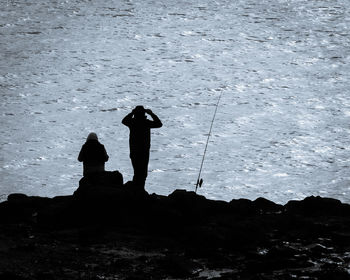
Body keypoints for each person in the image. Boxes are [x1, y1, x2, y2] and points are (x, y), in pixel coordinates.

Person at [122, 106, 162, 190]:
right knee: (142, 173)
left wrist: (131, 113)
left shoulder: (132, 122)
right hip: (144, 152)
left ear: (135, 114)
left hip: (134, 151)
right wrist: (151, 113)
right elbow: (159, 124)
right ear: (144, 114)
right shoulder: (146, 122)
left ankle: (137, 190)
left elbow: (124, 121)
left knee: (137, 172)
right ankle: (139, 190)